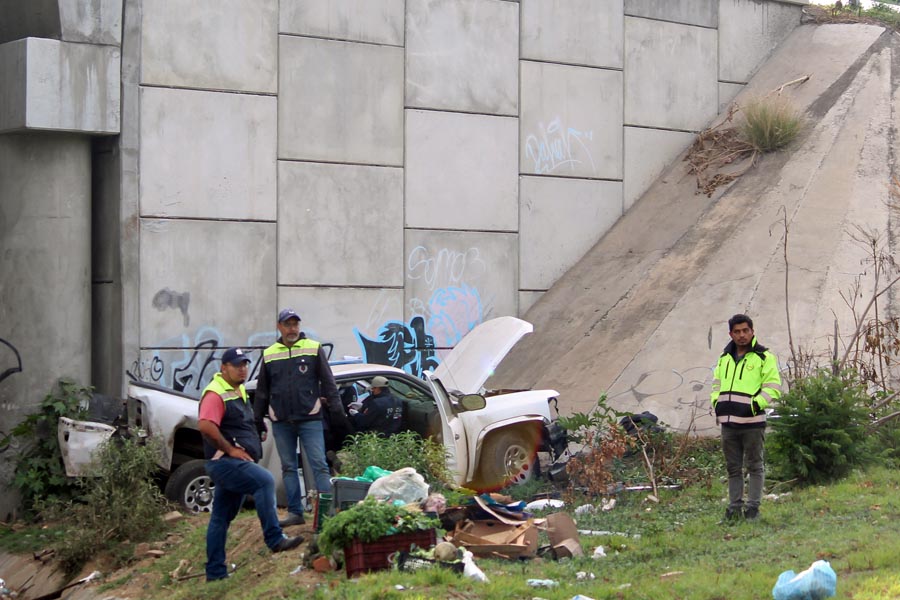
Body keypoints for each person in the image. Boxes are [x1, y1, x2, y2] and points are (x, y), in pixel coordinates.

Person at [198, 347, 303, 582]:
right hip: (225, 463)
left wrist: (255, 432)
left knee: (220, 518)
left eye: (245, 364)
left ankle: (215, 572)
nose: (242, 368)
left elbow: (237, 422)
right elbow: (206, 426)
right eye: (237, 365)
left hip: (231, 463)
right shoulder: (216, 393)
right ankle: (275, 539)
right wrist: (231, 449)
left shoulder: (238, 389)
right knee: (265, 481)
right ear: (223, 368)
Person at [254, 308, 343, 527]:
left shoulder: (313, 348)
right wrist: (257, 421)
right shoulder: (269, 353)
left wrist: (337, 410)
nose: (292, 328)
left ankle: (327, 514)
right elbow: (262, 390)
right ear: (279, 327)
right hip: (281, 420)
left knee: (319, 465)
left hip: (310, 418)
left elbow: (328, 381)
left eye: (295, 324)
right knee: (288, 467)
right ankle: (295, 512)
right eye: (288, 324)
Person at [710, 314, 782, 521]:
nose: (741, 335)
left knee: (754, 466)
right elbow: (716, 385)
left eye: (745, 331)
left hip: (752, 423)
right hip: (728, 424)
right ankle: (734, 509)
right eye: (737, 331)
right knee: (733, 468)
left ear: (752, 331)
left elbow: (773, 388)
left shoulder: (763, 357)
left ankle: (753, 509)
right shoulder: (724, 359)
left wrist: (753, 406)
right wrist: (717, 403)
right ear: (730, 334)